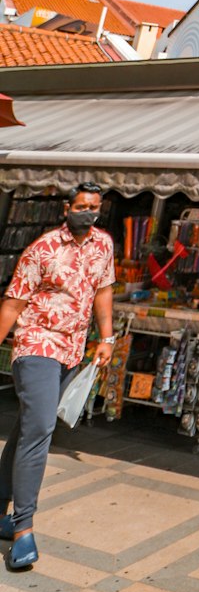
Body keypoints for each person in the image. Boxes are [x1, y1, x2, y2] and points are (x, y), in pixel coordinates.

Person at [0, 185, 116, 572]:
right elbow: (13, 302)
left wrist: (107, 337)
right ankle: (23, 529)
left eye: (94, 207)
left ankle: (0, 505)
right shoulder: (43, 248)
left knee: (26, 429)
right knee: (41, 429)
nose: (87, 213)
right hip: (36, 345)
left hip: (71, 351)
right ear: (67, 208)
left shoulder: (103, 245)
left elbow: (103, 291)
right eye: (81, 206)